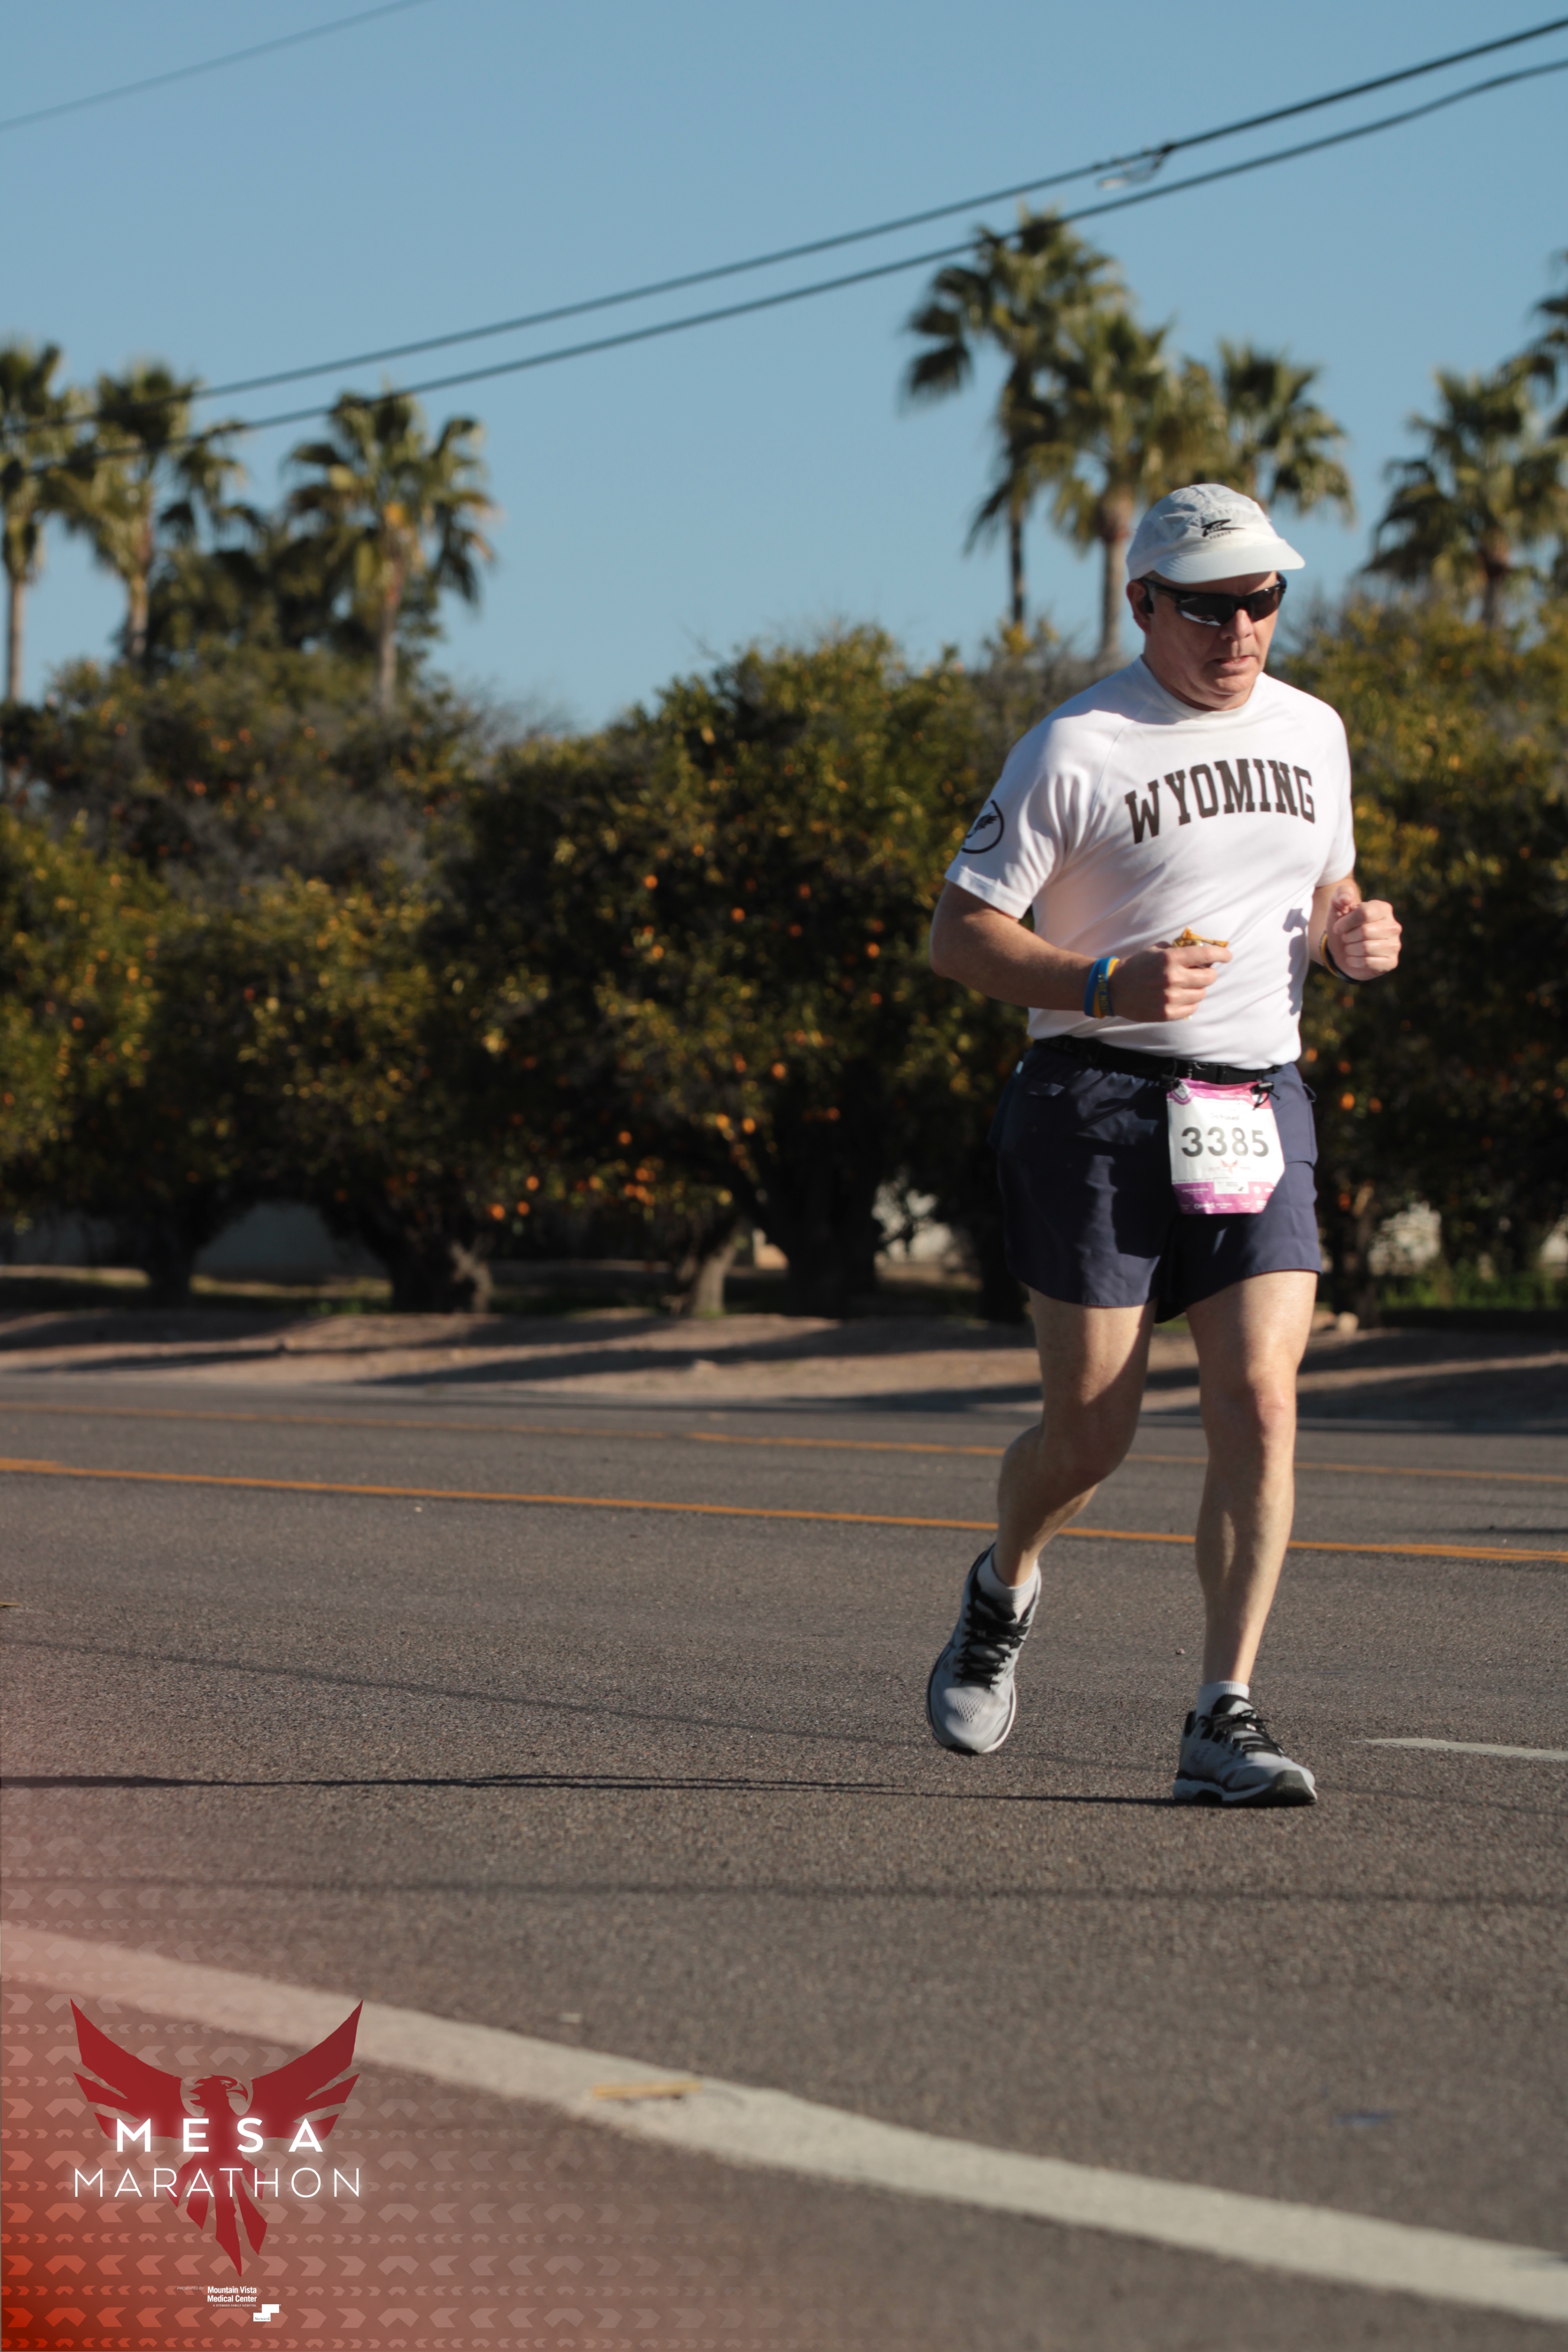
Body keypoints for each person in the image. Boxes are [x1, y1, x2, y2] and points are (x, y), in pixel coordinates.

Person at [925, 481, 1402, 1805]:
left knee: (1260, 1399)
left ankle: (1219, 1715)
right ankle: (1002, 1586)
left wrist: (1352, 938)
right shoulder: (1073, 747)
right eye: (1207, 607)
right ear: (1142, 604)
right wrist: (1098, 984)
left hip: (1255, 1101)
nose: (1239, 630)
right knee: (1090, 1437)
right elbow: (957, 934)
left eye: (1262, 600)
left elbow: (1325, 890)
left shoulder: (1313, 730)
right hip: (1094, 1102)